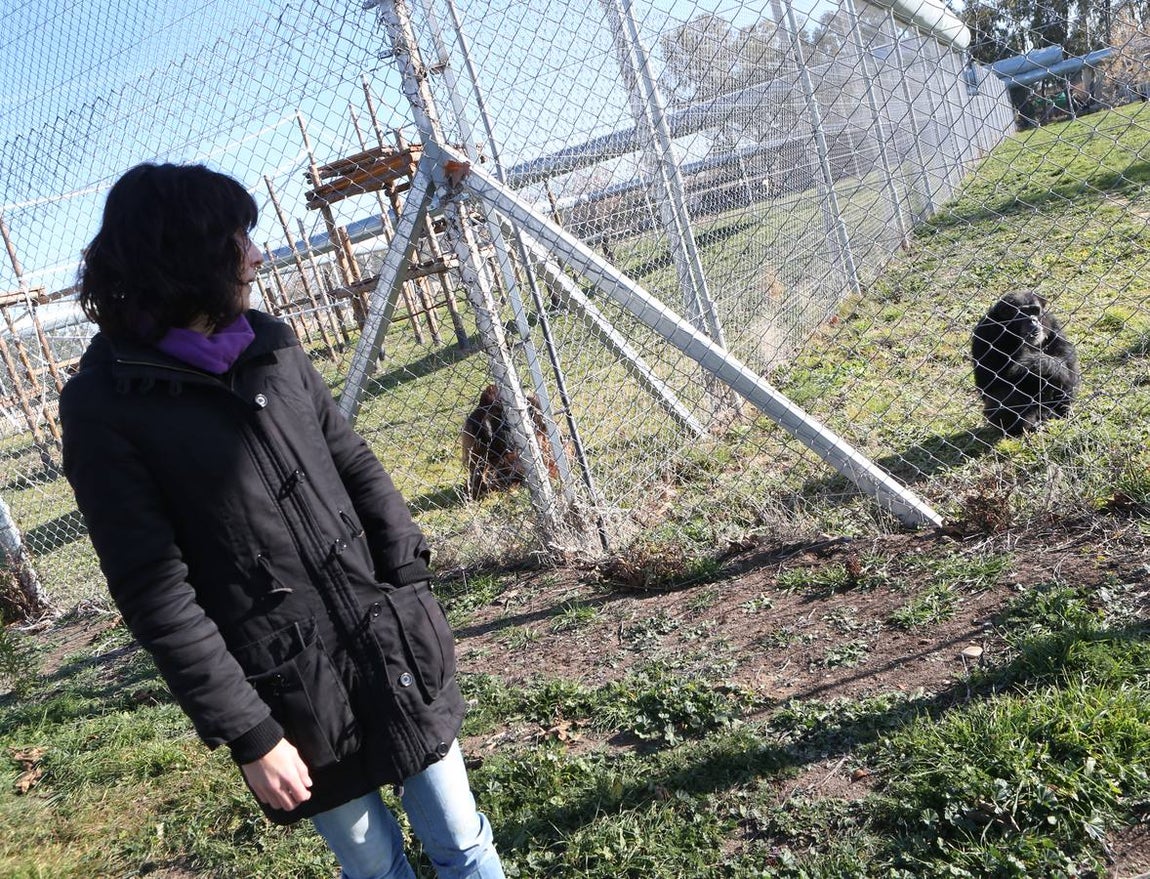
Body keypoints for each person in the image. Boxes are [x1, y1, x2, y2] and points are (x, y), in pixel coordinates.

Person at [60, 162, 505, 879]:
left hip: (390, 641)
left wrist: (411, 583)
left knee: (463, 843)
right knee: (376, 869)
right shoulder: (105, 406)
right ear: (185, 253)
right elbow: (155, 593)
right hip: (293, 689)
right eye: (239, 238)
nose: (256, 255)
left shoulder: (272, 343)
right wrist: (249, 732)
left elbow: (354, 462)